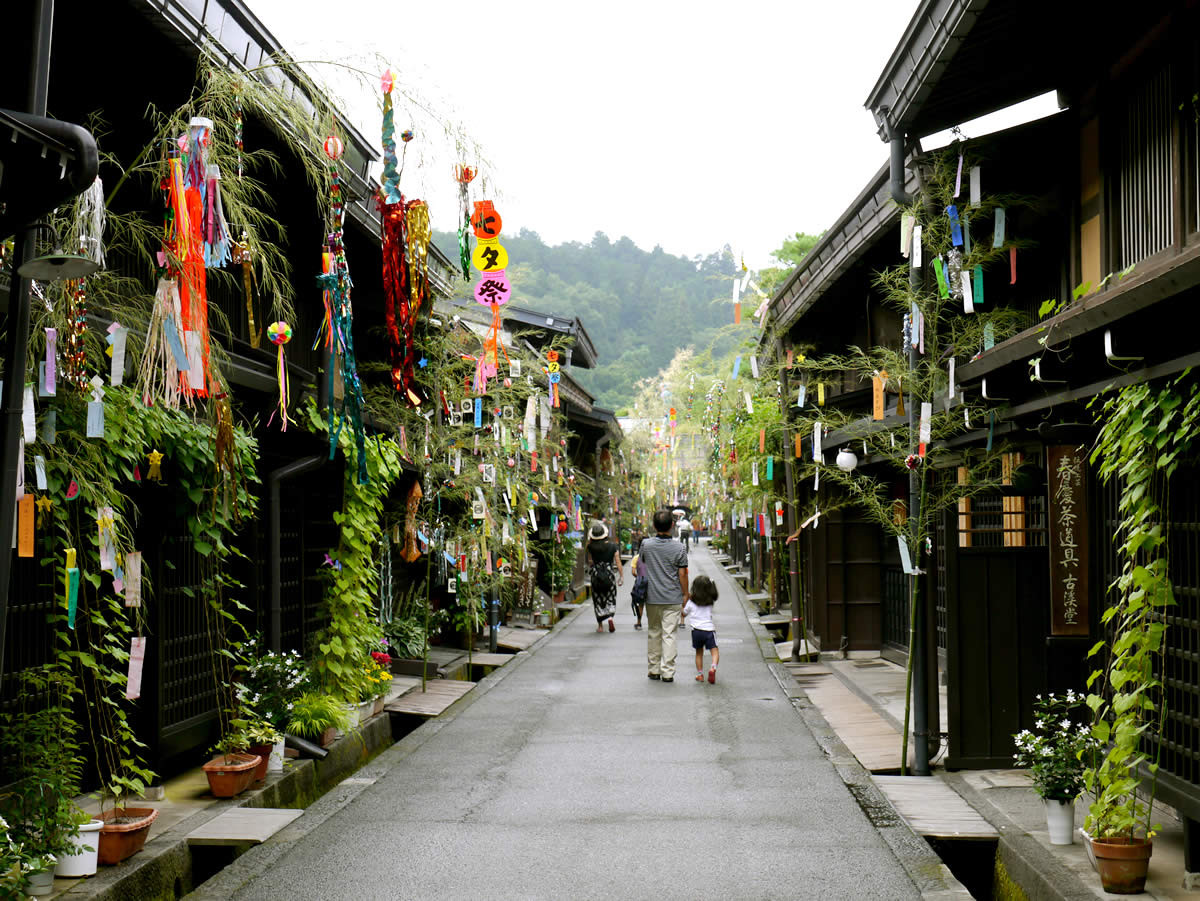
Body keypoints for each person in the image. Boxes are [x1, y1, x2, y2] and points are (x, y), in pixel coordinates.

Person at [639, 509, 688, 681]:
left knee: (653, 631)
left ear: (653, 526)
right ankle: (667, 671)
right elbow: (683, 574)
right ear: (672, 525)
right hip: (673, 596)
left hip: (651, 596)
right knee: (669, 634)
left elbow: (641, 566)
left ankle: (654, 669)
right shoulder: (680, 547)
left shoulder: (646, 545)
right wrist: (685, 594)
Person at [586, 521, 622, 632]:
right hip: (609, 574)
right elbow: (618, 562)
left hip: (596, 575)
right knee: (610, 596)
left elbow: (589, 561)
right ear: (605, 534)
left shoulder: (590, 547)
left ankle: (600, 626)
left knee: (598, 599)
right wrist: (621, 576)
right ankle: (610, 617)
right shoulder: (612, 546)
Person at [683, 575, 719, 683]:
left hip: (696, 631)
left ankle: (700, 674)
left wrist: (683, 605)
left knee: (699, 653)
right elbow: (714, 592)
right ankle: (713, 667)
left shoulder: (691, 602)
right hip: (709, 630)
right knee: (715, 651)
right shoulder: (710, 601)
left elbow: (684, 614)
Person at [630, 538, 647, 630]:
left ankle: (639, 622)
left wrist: (639, 576)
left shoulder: (636, 557)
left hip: (641, 582)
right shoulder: (652, 557)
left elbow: (633, 572)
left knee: (640, 603)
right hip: (652, 582)